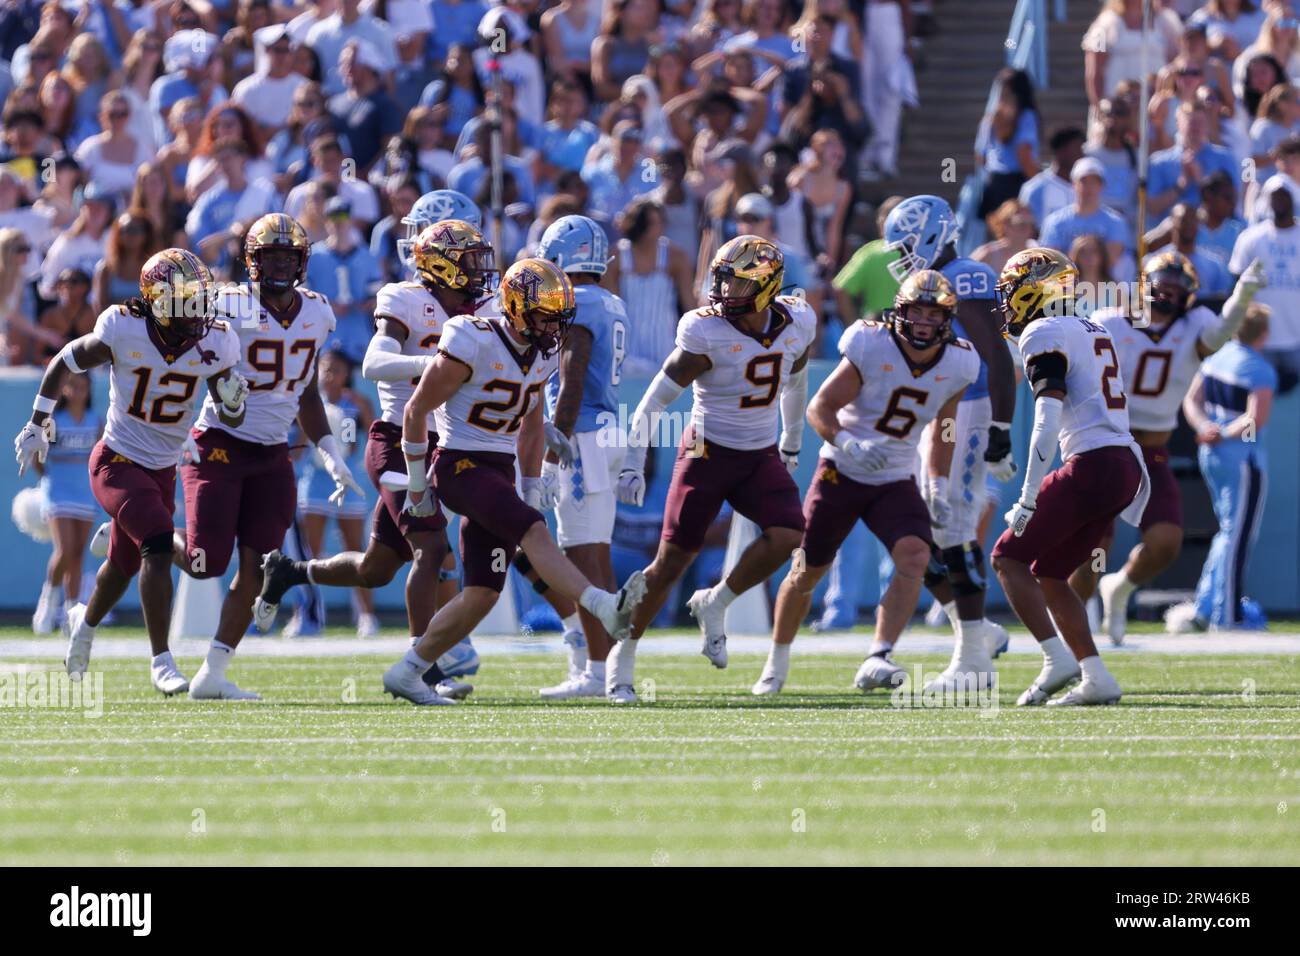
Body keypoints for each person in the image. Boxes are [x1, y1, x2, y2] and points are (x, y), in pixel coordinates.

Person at [380, 258, 648, 705]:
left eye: (558, 317)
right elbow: (415, 411)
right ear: (517, 307)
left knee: (483, 593)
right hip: (460, 463)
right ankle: (603, 605)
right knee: (534, 529)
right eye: (545, 315)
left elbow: (531, 423)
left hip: (499, 470)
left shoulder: (541, 353)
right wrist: (416, 486)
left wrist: (530, 481)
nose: (553, 327)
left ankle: (407, 672)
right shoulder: (473, 337)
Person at [256, 217, 497, 701]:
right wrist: (436, 365)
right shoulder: (405, 299)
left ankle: (290, 572)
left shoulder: (482, 309)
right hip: (394, 439)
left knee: (376, 568)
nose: (477, 271)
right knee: (431, 549)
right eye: (468, 261)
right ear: (441, 265)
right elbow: (373, 362)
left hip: (443, 445)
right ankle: (422, 670)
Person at [20, 248, 244, 695]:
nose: (198, 310)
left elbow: (230, 412)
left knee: (122, 567)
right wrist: (38, 420)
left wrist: (235, 402)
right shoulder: (124, 327)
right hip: (117, 460)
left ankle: (82, 623)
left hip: (162, 469)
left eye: (201, 298)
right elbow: (65, 360)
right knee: (159, 546)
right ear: (159, 300)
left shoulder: (216, 339)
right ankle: (162, 660)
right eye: (187, 300)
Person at [753, 270, 978, 695]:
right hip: (842, 471)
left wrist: (937, 482)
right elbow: (821, 407)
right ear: (900, 311)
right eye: (917, 311)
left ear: (948, 318)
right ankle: (776, 661)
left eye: (934, 313)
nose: (925, 321)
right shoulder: (871, 344)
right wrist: (848, 444)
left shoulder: (959, 361)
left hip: (894, 476)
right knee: (805, 570)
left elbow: (944, 427)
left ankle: (879, 654)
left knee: (914, 556)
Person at [612, 236, 816, 699]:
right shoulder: (706, 332)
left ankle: (715, 601)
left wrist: (791, 441)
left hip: (759, 453)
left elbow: (797, 381)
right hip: (707, 452)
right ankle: (621, 662)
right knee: (669, 564)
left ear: (765, 288)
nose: (722, 291)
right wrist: (632, 463)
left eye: (736, 282)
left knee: (788, 535)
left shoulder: (797, 322)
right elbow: (657, 398)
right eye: (721, 279)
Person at [175, 214, 362, 700]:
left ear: (302, 262)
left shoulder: (319, 313)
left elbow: (305, 393)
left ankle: (213, 672)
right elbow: (187, 360)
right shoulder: (226, 303)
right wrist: (216, 384)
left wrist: (329, 451)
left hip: (273, 451)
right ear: (251, 262)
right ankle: (149, 536)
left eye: (288, 256)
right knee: (203, 562)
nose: (279, 265)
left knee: (256, 567)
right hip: (218, 443)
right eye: (270, 256)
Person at [991, 247, 1150, 707]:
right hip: (1122, 465)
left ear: (1034, 290)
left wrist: (1027, 498)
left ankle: (1054, 657)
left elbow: (1045, 419)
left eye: (1012, 291)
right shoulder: (1093, 327)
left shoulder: (1043, 331)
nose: (1006, 302)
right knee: (1053, 573)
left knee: (1007, 558)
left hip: (1092, 463)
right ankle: (1095, 675)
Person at [1079, 253, 1262, 643]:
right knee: (1095, 540)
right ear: (1144, 285)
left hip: (1154, 450)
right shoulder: (1110, 322)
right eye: (1163, 286)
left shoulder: (1196, 326)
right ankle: (1077, 616)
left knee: (1165, 543)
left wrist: (1243, 295)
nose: (1169, 295)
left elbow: (1223, 329)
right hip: (1108, 444)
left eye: (1178, 289)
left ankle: (1120, 588)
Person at [883, 194, 1018, 687]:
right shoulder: (934, 282)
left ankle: (973, 660)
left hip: (971, 410)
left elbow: (998, 357)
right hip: (941, 413)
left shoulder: (966, 273)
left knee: (956, 522)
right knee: (932, 521)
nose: (900, 257)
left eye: (905, 245)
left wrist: (1001, 428)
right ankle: (978, 635)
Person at [530, 215, 631, 699]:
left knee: (582, 556)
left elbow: (571, 382)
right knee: (596, 555)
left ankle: (597, 672)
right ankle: (611, 670)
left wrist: (554, 454)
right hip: (605, 433)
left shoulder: (576, 304)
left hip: (582, 437)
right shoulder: (611, 301)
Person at [1176, 298, 1275, 629]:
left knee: (1227, 533)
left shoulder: (1216, 357)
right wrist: (1221, 433)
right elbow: (1254, 420)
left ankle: (1205, 607)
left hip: (1212, 455)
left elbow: (1192, 400)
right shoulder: (1260, 368)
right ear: (1263, 333)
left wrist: (1206, 428)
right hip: (1242, 458)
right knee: (1238, 535)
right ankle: (1227, 614)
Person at [295, 348, 378, 637]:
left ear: (347, 375)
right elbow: (301, 443)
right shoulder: (307, 402)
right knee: (309, 553)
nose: (330, 375)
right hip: (315, 481)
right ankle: (306, 616)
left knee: (355, 550)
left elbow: (363, 441)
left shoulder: (356, 404)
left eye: (336, 370)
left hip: (348, 483)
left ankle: (366, 616)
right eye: (325, 369)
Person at [30, 372, 102, 633]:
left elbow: (99, 458)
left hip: (85, 493)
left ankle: (71, 614)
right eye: (73, 385)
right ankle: (48, 600)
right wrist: (51, 481)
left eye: (84, 386)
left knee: (78, 554)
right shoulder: (53, 421)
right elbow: (38, 460)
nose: (79, 391)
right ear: (64, 389)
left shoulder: (97, 421)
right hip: (58, 492)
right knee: (65, 548)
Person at [1229, 175, 1300, 392]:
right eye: (1274, 197)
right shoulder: (1251, 238)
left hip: (1297, 340)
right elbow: (1237, 283)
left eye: (1284, 196)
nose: (1279, 202)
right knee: (1259, 400)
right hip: (1260, 340)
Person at [613, 195, 695, 378]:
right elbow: (612, 309)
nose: (658, 228)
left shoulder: (676, 257)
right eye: (651, 223)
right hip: (627, 350)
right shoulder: (616, 257)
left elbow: (689, 305)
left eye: (660, 222)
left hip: (665, 347)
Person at [304, 196, 383, 364]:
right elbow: (303, 298)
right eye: (333, 218)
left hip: (359, 336)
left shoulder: (366, 256)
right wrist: (328, 305)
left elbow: (377, 299)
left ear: (351, 220)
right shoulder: (314, 256)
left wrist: (365, 305)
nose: (338, 223)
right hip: (325, 337)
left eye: (343, 217)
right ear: (326, 221)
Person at [1018, 126, 1085, 231]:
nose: (1082, 155)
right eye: (1077, 148)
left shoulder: (1087, 187)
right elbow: (1027, 229)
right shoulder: (1034, 188)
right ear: (1061, 151)